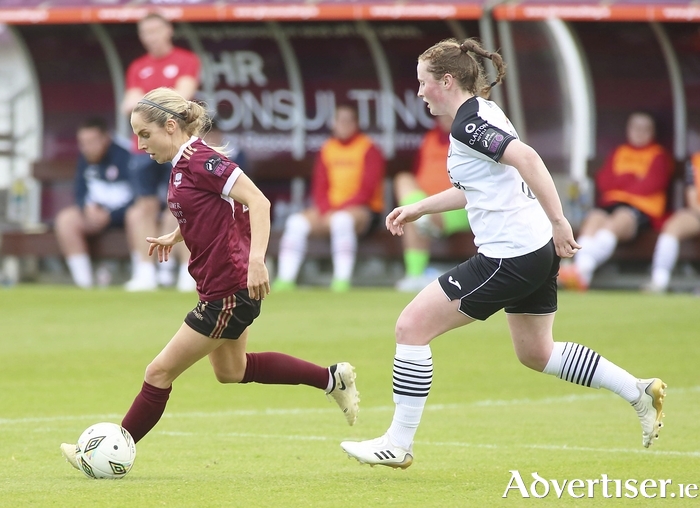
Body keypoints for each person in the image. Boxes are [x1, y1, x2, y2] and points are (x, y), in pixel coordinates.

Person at [339, 38, 666, 469]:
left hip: (509, 256)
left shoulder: (467, 124)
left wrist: (560, 220)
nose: (419, 92)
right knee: (537, 353)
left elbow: (528, 158)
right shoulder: (481, 113)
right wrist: (420, 206)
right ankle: (636, 390)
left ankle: (398, 443)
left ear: (447, 81)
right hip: (532, 251)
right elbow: (476, 187)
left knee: (410, 328)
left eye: (423, 83)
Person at [60, 88, 360, 469]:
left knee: (158, 372)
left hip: (230, 290)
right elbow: (210, 211)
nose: (140, 144)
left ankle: (106, 453)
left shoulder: (203, 160)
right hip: (220, 286)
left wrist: (257, 261)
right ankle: (332, 379)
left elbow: (259, 202)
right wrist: (176, 233)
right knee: (231, 372)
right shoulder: (182, 164)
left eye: (145, 135)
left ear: (170, 126)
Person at [122, 12, 201, 292]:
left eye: (156, 30)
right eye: (145, 32)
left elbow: (181, 101)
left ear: (168, 30)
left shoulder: (186, 60)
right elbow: (127, 105)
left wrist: (145, 101)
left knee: (178, 204)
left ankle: (183, 270)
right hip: (142, 149)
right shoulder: (137, 67)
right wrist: (157, 101)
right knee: (143, 208)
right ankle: (146, 272)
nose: (151, 37)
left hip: (174, 146)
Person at [273, 103, 385, 292]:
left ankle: (341, 280)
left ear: (356, 123)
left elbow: (367, 190)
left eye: (348, 120)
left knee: (341, 221)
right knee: (296, 223)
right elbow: (320, 187)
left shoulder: (369, 148)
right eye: (340, 120)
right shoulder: (327, 148)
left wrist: (337, 210)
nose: (344, 125)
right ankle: (285, 280)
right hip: (330, 209)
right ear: (333, 123)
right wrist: (326, 209)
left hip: (364, 211)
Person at [558, 111, 675, 291]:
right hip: (612, 203)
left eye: (645, 129)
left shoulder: (658, 155)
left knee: (620, 219)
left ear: (652, 131)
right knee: (595, 217)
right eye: (635, 128)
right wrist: (632, 178)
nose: (639, 132)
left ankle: (580, 270)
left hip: (642, 208)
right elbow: (605, 180)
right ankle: (583, 276)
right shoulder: (619, 152)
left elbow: (651, 184)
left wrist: (622, 181)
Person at [393, 114, 470, 292]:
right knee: (403, 179)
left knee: (414, 217)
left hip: (455, 205)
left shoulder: (468, 139)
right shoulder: (429, 138)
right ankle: (416, 275)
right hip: (426, 203)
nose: (443, 118)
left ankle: (415, 274)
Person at [54, 117, 133, 288]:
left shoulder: (127, 155)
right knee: (66, 219)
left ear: (106, 138)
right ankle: (84, 284)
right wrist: (86, 208)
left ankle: (147, 276)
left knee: (138, 215)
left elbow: (139, 197)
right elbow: (80, 191)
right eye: (82, 143)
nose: (86, 147)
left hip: (124, 217)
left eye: (91, 142)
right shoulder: (84, 158)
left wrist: (111, 216)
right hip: (95, 216)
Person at [644, 152, 700, 292]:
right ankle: (659, 281)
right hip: (698, 212)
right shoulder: (695, 160)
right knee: (672, 226)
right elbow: (693, 200)